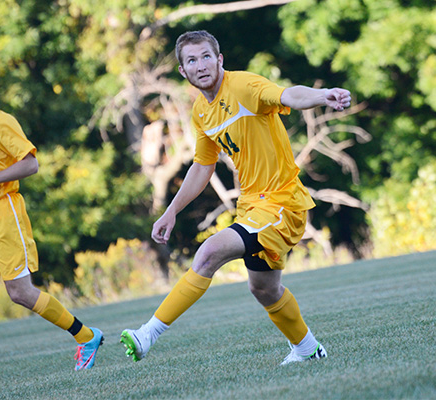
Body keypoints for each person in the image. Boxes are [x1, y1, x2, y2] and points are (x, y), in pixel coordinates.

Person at [120, 30, 351, 365]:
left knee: (209, 252)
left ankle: (147, 334)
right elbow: (202, 167)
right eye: (191, 61)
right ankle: (308, 350)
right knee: (264, 289)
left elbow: (288, 95)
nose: (200, 65)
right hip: (252, 206)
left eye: (205, 57)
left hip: (282, 202)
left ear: (219, 60)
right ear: (183, 71)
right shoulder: (201, 111)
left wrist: (322, 95)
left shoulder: (243, 86)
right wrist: (171, 211)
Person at [0, 62, 103, 393]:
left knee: (19, 293)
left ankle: (86, 336)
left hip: (4, 213)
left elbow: (31, 164)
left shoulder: (2, 122)